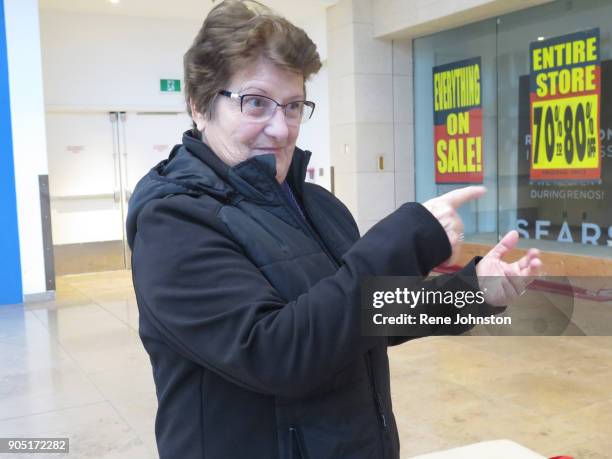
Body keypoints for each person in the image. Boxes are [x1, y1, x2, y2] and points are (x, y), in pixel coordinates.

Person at [126, 1, 541, 458]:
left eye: (293, 106)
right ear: (199, 106)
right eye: (256, 103)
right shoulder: (174, 221)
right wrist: (407, 237)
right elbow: (276, 354)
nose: (281, 129)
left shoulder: (315, 204)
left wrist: (473, 292)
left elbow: (364, 313)